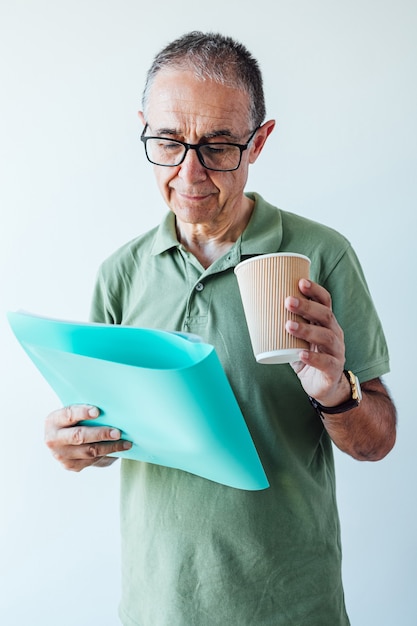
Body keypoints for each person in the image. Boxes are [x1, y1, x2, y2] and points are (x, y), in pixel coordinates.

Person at [44, 31, 396, 625]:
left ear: (259, 142)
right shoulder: (121, 274)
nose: (190, 171)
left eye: (219, 145)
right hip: (158, 607)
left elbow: (377, 441)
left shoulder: (320, 255)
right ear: (144, 128)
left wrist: (337, 390)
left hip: (294, 608)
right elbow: (109, 431)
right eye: (168, 141)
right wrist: (80, 446)